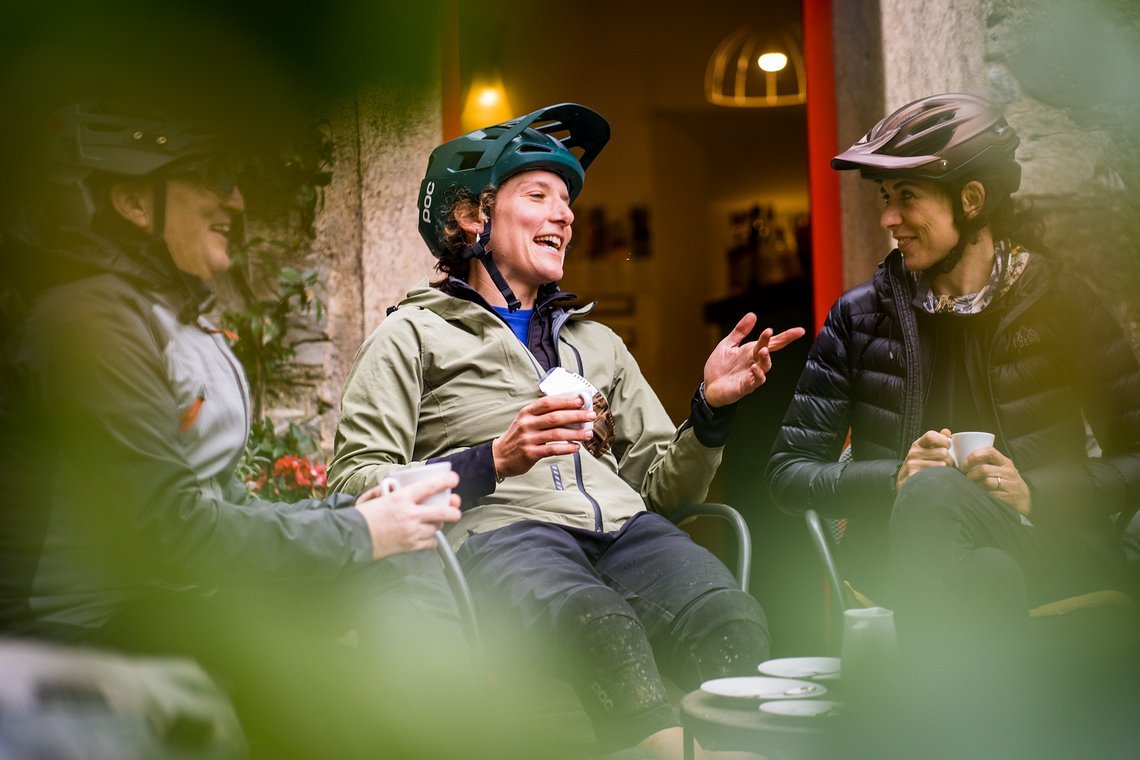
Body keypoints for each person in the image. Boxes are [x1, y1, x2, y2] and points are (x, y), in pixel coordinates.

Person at [0, 101, 480, 758]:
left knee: (387, 587)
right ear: (135, 201)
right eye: (214, 177)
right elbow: (169, 530)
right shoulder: (90, 323)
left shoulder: (165, 316)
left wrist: (349, 513)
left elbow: (215, 505)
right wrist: (355, 532)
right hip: (85, 630)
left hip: (169, 601)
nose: (237, 199)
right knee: (331, 711)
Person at [329, 102, 804, 760]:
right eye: (539, 194)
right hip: (500, 539)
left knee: (730, 620)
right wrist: (494, 458)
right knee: (596, 624)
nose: (567, 215)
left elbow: (664, 488)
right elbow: (355, 481)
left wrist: (711, 408)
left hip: (625, 532)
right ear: (471, 218)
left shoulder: (597, 342)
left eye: (569, 200)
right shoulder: (410, 335)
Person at [766, 93, 1140, 753]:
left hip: (1049, 546)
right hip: (903, 558)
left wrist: (1038, 492)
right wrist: (895, 477)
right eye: (885, 196)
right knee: (976, 562)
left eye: (906, 196)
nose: (888, 219)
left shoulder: (1063, 305)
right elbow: (788, 474)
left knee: (959, 527)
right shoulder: (858, 319)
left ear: (971, 199)